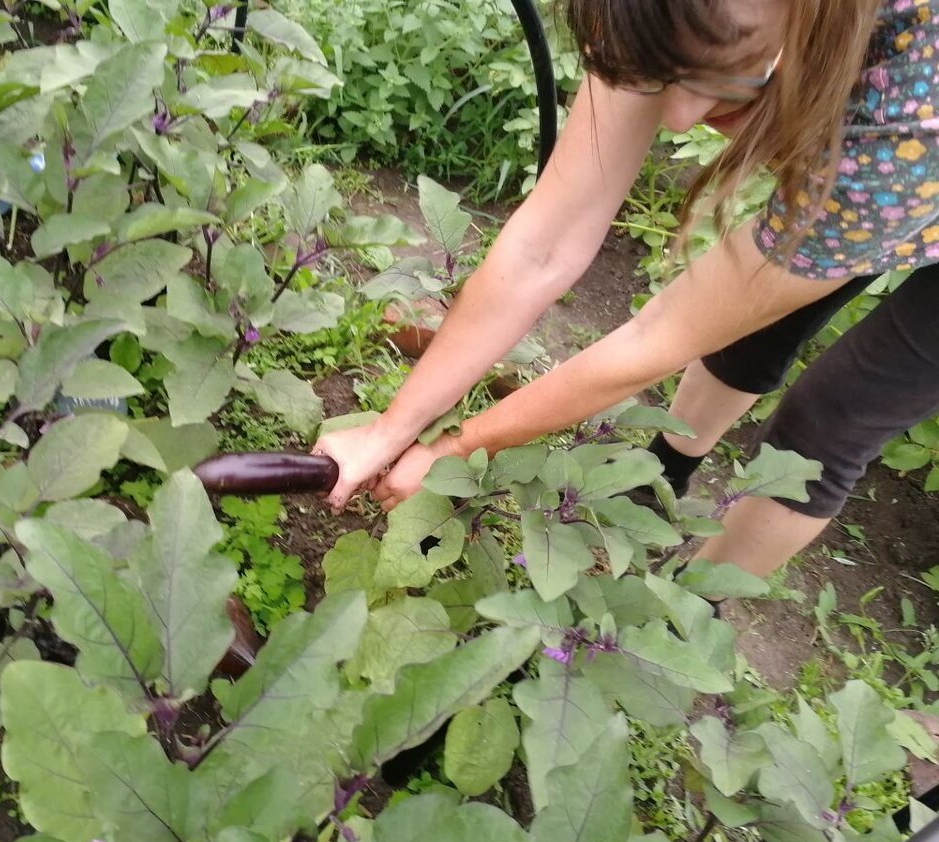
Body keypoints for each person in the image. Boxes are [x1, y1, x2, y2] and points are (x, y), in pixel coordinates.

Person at [313, 0, 939, 580]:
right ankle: (662, 477)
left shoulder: (907, 108)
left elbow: (656, 339)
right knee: (748, 335)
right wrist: (390, 429)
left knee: (831, 420)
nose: (678, 116)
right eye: (665, 77)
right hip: (870, 172)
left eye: (731, 62)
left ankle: (691, 609)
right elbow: (543, 247)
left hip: (905, 169)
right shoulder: (662, 12)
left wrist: (458, 446)